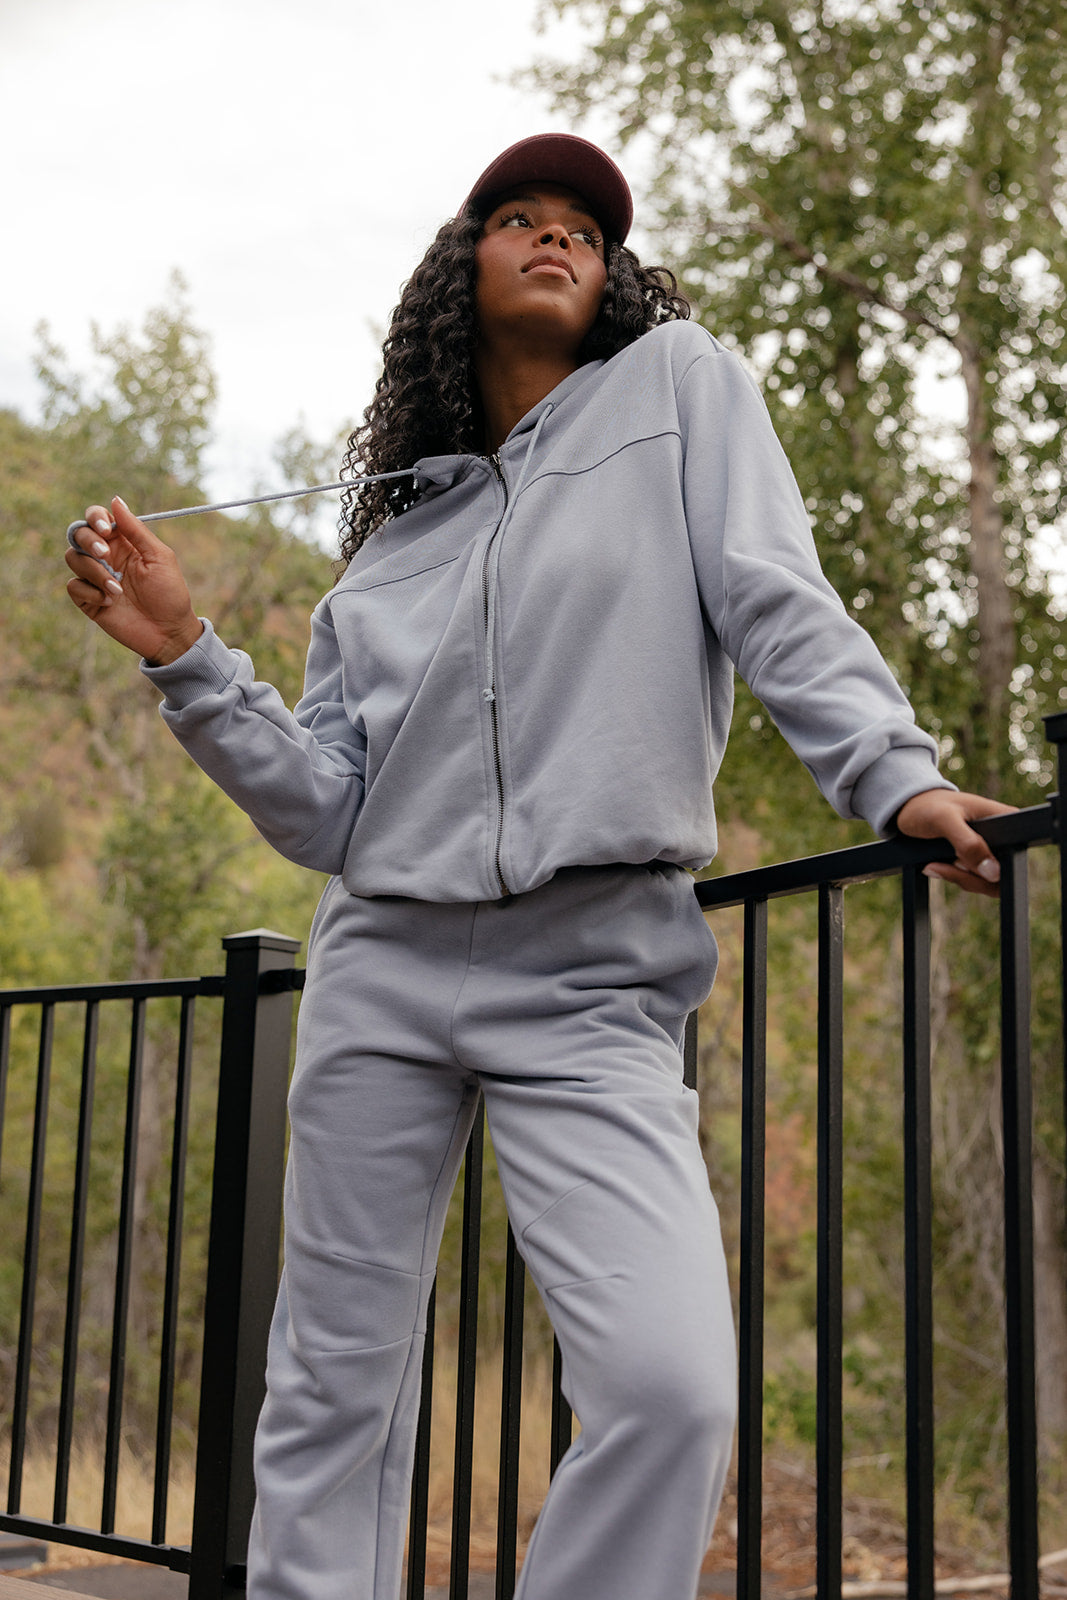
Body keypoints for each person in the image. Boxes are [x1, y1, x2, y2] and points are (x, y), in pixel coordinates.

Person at [66, 133, 1012, 1600]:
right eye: (518, 218)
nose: (557, 237)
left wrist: (894, 776)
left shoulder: (683, 390)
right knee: (331, 1397)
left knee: (673, 1387)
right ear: (464, 272)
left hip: (593, 976)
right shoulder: (392, 547)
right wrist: (190, 657)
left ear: (617, 275)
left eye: (585, 226)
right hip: (380, 969)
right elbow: (326, 811)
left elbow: (776, 597)